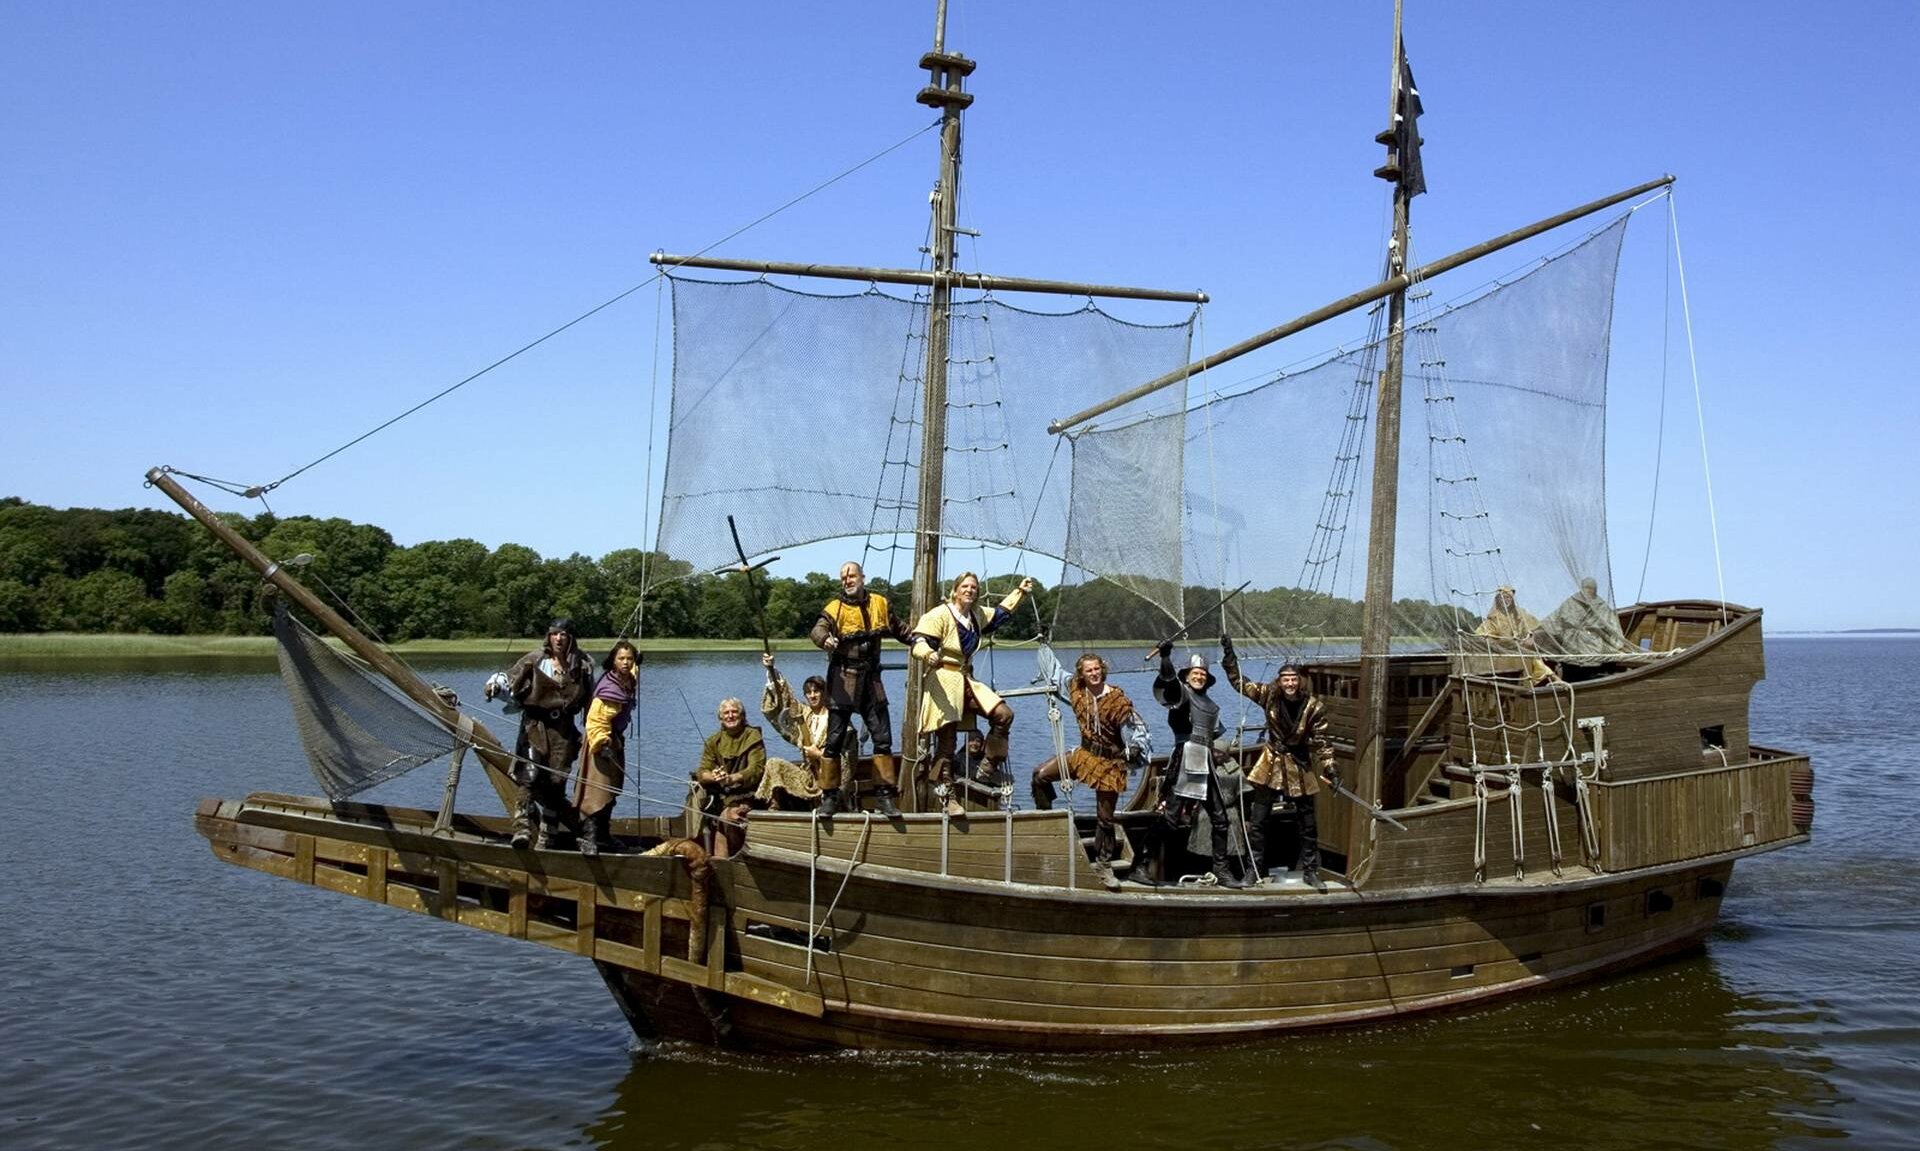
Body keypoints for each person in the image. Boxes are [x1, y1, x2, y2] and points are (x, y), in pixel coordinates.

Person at [909, 572, 1032, 817]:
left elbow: (999, 614)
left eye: (974, 587)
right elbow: (918, 640)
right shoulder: (940, 614)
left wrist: (1020, 592)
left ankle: (985, 768)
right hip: (943, 680)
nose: (970, 590)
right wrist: (927, 654)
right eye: (965, 586)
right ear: (955, 591)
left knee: (1003, 715)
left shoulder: (975, 615)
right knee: (947, 743)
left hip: (965, 679)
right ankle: (947, 796)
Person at [1219, 639, 1334, 886]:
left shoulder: (1314, 707)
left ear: (1299, 681)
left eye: (1294, 679)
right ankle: (1254, 871)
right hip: (1270, 762)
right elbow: (1240, 683)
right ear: (1280, 681)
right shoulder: (1268, 695)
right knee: (1259, 820)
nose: (1290, 683)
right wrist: (1230, 657)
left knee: (1308, 822)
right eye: (1286, 679)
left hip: (1299, 763)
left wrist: (1330, 768)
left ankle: (1311, 871)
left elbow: (1323, 741)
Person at [1031, 652, 1141, 892]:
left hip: (1109, 763)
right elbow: (1055, 672)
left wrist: (1133, 747)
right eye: (1089, 670)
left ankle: (1103, 864)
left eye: (1097, 669)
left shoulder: (1117, 699)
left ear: (1103, 670)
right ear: (1082, 673)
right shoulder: (1076, 689)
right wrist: (1043, 645)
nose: (1094, 673)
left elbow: (1136, 730)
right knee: (1039, 775)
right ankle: (1050, 824)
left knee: (1105, 817)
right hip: (1084, 755)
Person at [810, 561, 913, 818]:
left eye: (852, 575)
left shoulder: (880, 603)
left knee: (882, 739)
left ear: (862, 577)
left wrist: (921, 639)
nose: (848, 580)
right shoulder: (834, 608)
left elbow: (901, 629)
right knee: (833, 742)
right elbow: (818, 629)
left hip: (871, 681)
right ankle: (829, 798)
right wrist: (825, 639)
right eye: (844, 577)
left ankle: (884, 798)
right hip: (842, 679)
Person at [1140, 643, 1248, 888]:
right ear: (1187, 676)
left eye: (1202, 674)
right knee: (1170, 818)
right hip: (1186, 758)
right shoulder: (1181, 694)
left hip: (1206, 761)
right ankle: (1141, 864)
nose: (1198, 676)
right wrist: (1166, 657)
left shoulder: (1210, 704)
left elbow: (1216, 734)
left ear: (1207, 679)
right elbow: (1167, 680)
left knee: (1221, 819)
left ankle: (1221, 871)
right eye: (1194, 673)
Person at [484, 618, 593, 850]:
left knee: (556, 781)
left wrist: (591, 730)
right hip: (535, 725)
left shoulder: (582, 665)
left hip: (563, 730)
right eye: (554, 634)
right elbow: (508, 679)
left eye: (563, 634)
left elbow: (591, 700)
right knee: (529, 776)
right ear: (548, 636)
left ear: (571, 638)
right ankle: (521, 828)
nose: (559, 639)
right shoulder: (535, 660)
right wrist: (494, 686)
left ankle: (547, 838)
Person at [572, 639, 639, 856]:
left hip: (615, 742)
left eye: (630, 659)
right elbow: (594, 720)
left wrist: (638, 663)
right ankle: (588, 837)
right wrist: (602, 743)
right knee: (596, 791)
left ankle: (603, 835)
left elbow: (634, 672)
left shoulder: (626, 678)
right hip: (600, 744)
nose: (626, 663)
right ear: (613, 661)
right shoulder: (609, 689)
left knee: (611, 790)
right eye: (621, 659)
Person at [758, 651, 834, 810]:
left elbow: (845, 757)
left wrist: (820, 755)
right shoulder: (804, 714)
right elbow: (785, 700)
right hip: (807, 775)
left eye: (816, 691)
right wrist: (772, 670)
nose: (812, 696)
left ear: (824, 692)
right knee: (774, 763)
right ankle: (774, 807)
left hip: (829, 778)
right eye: (808, 692)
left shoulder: (835, 718)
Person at [693, 696, 766, 860]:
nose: (730, 716)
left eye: (735, 712)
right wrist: (714, 776)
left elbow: (756, 769)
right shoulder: (714, 741)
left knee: (728, 816)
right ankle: (720, 863)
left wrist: (732, 778)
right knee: (716, 815)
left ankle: (732, 859)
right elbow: (702, 771)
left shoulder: (752, 736)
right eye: (726, 713)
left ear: (742, 715)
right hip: (722, 797)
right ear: (720, 717)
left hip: (750, 795)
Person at [1532, 576, 1636, 667]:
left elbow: (1612, 625)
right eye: (1586, 588)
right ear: (1582, 588)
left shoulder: (1601, 606)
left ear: (1595, 590)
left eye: (1591, 588)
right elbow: (1554, 618)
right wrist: (1537, 629)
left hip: (1592, 644)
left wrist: (1619, 643)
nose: (1589, 591)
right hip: (1570, 644)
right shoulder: (1571, 601)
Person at [1469, 585, 1557, 685]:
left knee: (1534, 653)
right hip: (1502, 650)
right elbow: (1479, 635)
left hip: (1517, 647)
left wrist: (1531, 636)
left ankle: (1550, 678)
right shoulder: (1494, 617)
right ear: (1498, 600)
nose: (1506, 600)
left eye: (1508, 598)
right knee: (1531, 656)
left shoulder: (1518, 614)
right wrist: (1495, 642)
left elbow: (1534, 626)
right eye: (1503, 598)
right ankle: (1545, 679)